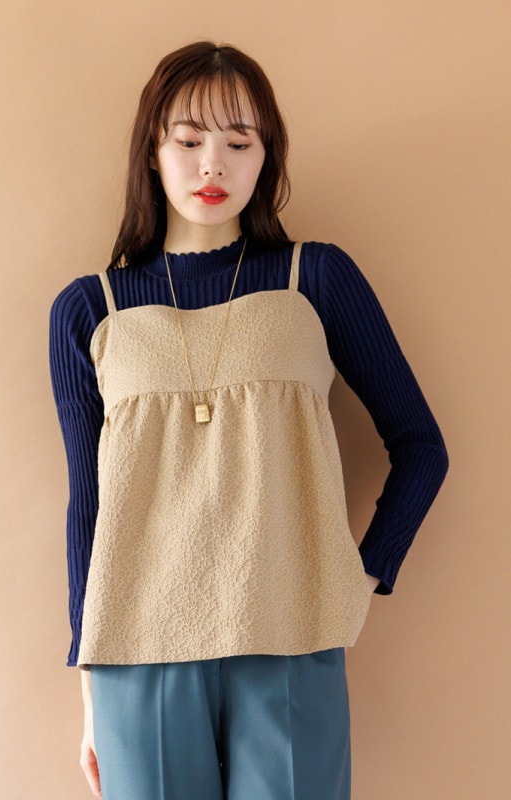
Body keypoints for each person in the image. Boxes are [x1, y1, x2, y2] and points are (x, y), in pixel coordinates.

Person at [49, 41, 448, 800]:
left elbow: (421, 447)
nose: (213, 165)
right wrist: (89, 690)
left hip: (290, 634)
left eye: (239, 142)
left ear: (267, 156)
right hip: (138, 647)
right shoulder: (89, 308)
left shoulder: (315, 278)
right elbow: (88, 508)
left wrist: (357, 577)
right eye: (188, 140)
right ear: (152, 150)